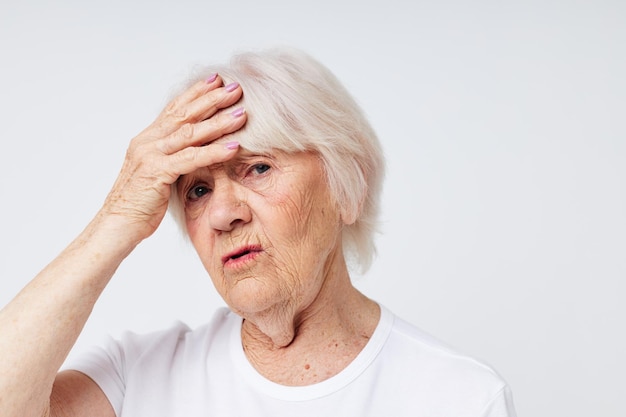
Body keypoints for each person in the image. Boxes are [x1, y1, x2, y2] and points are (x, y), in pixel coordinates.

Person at [0, 47, 517, 417]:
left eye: (258, 168)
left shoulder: (460, 397)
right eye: (197, 191)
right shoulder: (135, 378)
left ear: (347, 187)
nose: (223, 215)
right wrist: (117, 219)